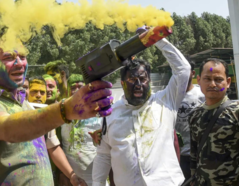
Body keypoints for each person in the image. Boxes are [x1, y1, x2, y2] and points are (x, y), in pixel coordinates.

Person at [0, 39, 113, 185]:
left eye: (23, 57)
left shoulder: (26, 105)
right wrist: (66, 109)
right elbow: (8, 128)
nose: (19, 63)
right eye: (8, 58)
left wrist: (71, 175)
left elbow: (51, 146)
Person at [93, 38, 190, 186]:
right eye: (132, 79)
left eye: (143, 79)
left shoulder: (166, 101)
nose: (138, 84)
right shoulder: (110, 114)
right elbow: (103, 155)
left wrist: (158, 40)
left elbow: (183, 70)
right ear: (123, 83)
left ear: (149, 81)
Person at [27, 76, 88, 185]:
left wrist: (71, 175)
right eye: (34, 91)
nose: (38, 95)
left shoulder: (48, 117)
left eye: (42, 92)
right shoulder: (16, 114)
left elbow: (53, 147)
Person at [188, 58, 239, 185]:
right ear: (199, 80)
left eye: (218, 79)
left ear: (228, 82)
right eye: (207, 79)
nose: (212, 84)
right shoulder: (195, 115)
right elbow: (194, 154)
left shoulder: (236, 112)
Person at [60, 74, 102, 185]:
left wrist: (102, 137)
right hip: (70, 179)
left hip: (95, 180)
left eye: (80, 87)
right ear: (68, 91)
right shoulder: (62, 114)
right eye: (73, 88)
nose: (77, 91)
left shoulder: (99, 113)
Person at [174, 58, 204, 181]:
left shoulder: (201, 95)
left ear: (193, 74)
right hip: (176, 155)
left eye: (184, 70)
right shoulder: (170, 95)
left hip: (197, 155)